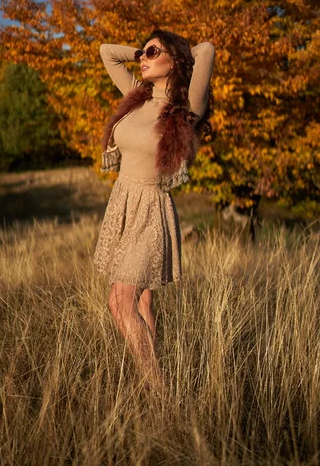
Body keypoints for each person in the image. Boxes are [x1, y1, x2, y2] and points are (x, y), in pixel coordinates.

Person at [94, 29, 215, 393]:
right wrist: (142, 52)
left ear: (174, 60)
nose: (143, 58)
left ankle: (156, 391)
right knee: (142, 297)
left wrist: (177, 52)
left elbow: (206, 48)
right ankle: (154, 380)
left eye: (152, 52)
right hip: (123, 203)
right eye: (143, 53)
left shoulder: (185, 108)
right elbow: (106, 52)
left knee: (120, 302)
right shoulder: (136, 97)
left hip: (150, 208)